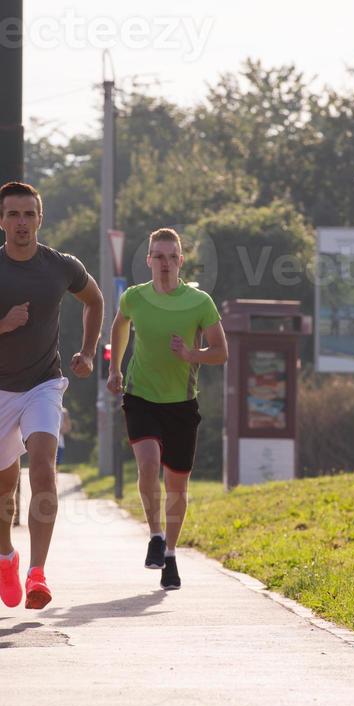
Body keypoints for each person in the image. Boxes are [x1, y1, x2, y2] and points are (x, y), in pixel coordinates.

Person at [0, 181, 104, 610]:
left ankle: (38, 572)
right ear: (0, 221)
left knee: (43, 470)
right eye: (13, 215)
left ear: (40, 218)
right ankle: (6, 556)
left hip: (44, 384)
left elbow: (94, 300)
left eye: (29, 214)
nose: (21, 222)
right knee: (4, 485)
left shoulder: (60, 266)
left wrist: (89, 352)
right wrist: (0, 325)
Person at [107, 228, 227, 591]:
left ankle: (171, 555)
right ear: (148, 261)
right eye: (157, 256)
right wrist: (114, 369)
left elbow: (221, 352)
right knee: (146, 463)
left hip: (181, 403)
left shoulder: (199, 302)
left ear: (181, 260)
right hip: (141, 396)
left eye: (171, 256)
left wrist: (191, 355)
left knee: (177, 486)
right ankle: (156, 535)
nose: (164, 263)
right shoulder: (134, 298)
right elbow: (119, 327)